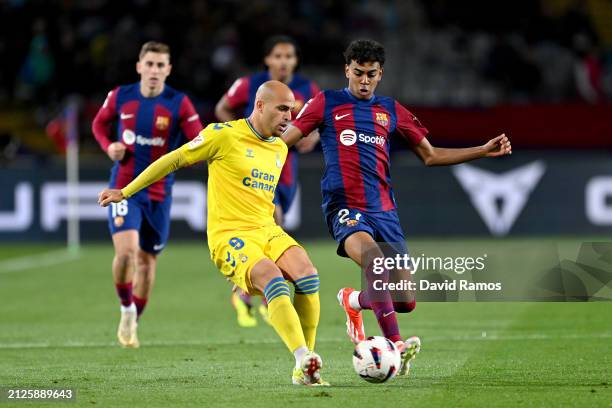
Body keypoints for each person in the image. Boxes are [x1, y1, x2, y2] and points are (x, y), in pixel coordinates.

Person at [282, 39, 512, 375]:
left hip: (384, 212)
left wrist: (482, 150)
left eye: (370, 74)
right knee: (374, 261)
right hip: (345, 207)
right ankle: (396, 345)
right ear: (347, 70)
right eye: (357, 73)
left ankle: (353, 300)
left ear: (380, 75)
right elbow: (285, 142)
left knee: (405, 300)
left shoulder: (390, 109)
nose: (363, 80)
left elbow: (430, 155)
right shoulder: (326, 103)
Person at [98, 80, 328, 386]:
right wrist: (125, 191)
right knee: (274, 281)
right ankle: (301, 357)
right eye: (283, 109)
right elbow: (173, 159)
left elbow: (260, 198)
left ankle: (308, 365)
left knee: (308, 275)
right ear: (260, 106)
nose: (289, 116)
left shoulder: (278, 148)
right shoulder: (223, 135)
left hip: (266, 231)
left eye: (292, 110)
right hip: (229, 236)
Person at [92, 41, 203, 348]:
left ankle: (133, 320)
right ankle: (126, 308)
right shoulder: (120, 96)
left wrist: (193, 154)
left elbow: (199, 141)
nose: (154, 70)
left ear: (168, 70)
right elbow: (99, 124)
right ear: (139, 67)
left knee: (147, 263)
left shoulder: (179, 104)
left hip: (159, 194)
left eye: (160, 65)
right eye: (149, 64)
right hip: (125, 190)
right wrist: (108, 147)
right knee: (126, 253)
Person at [215, 35, 320, 328]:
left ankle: (244, 293)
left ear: (295, 61)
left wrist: (311, 137)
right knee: (271, 223)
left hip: (284, 170)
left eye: (289, 57)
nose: (283, 62)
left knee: (273, 235)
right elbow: (222, 107)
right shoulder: (250, 85)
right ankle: (264, 295)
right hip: (251, 173)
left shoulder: (307, 89)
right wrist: (236, 136)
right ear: (268, 60)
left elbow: (317, 123)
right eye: (278, 56)